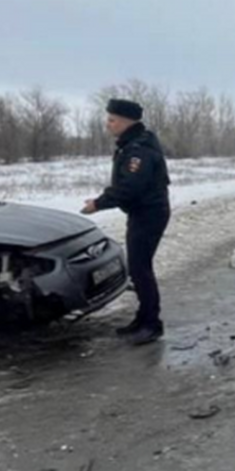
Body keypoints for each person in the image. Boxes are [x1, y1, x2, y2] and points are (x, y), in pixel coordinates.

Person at [81, 99, 171, 345]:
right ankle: (143, 319)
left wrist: (98, 204)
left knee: (140, 270)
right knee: (139, 268)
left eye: (112, 120)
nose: (107, 124)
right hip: (143, 212)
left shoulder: (138, 150)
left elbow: (130, 188)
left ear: (127, 121)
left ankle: (151, 324)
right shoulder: (132, 144)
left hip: (149, 214)